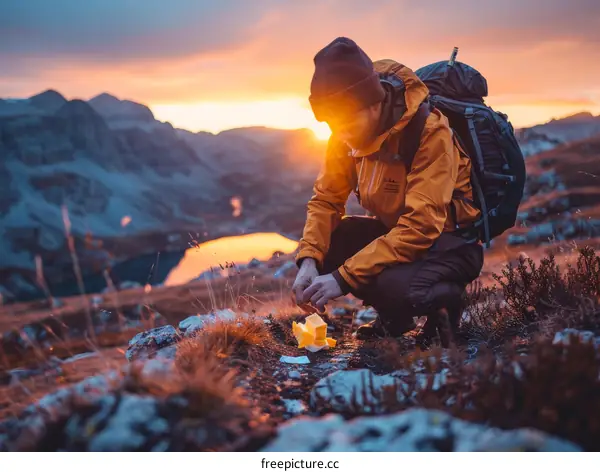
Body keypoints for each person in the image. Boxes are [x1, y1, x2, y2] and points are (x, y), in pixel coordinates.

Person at [291, 37, 484, 340]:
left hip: (450, 245)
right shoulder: (344, 134)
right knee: (331, 242)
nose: (339, 133)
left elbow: (420, 227)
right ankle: (395, 321)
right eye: (331, 124)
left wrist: (342, 279)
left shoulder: (429, 133)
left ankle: (445, 307)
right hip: (399, 235)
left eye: (345, 122)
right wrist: (309, 261)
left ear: (373, 103)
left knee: (396, 287)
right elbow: (326, 200)